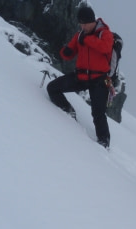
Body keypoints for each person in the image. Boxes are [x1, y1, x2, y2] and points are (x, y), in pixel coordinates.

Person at [46, 5, 113, 148]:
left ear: (92, 21)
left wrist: (87, 40)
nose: (83, 26)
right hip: (81, 77)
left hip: (100, 80)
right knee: (52, 88)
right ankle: (68, 112)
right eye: (81, 24)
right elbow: (67, 54)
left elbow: (105, 48)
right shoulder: (79, 35)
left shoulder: (105, 33)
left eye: (85, 23)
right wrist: (67, 51)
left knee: (98, 113)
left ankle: (104, 142)